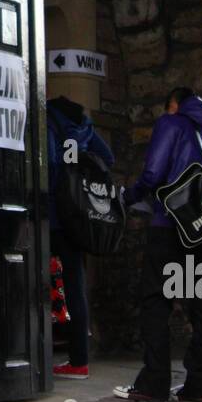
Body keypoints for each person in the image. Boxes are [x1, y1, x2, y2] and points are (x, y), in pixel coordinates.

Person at [113, 87, 202, 402]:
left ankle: (154, 382)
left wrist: (130, 196)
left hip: (169, 228)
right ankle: (199, 386)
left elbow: (153, 174)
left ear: (174, 105)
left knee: (156, 301)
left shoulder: (172, 124)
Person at [46, 93, 115, 380]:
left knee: (37, 282)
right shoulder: (84, 124)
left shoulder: (49, 122)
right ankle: (79, 360)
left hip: (53, 214)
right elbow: (107, 158)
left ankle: (34, 355)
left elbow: (49, 162)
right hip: (78, 216)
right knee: (75, 286)